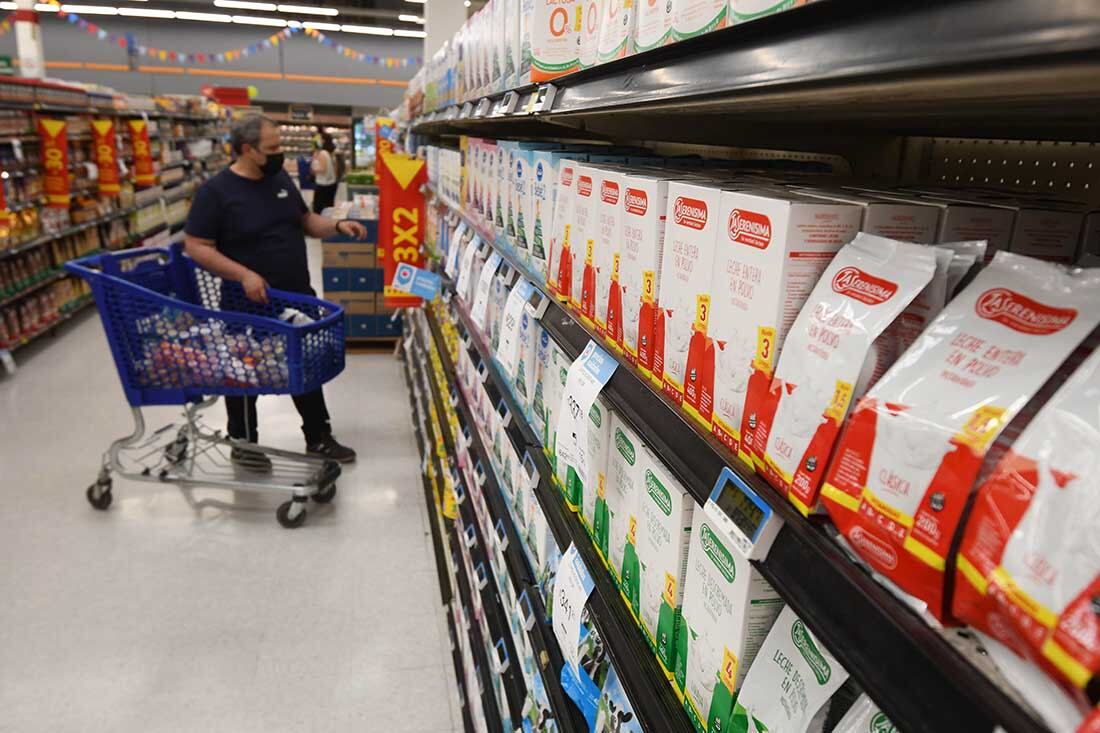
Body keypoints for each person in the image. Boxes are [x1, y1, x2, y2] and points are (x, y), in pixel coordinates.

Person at [183, 114, 365, 467]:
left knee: (305, 362)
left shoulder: (278, 178)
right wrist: (244, 275)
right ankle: (244, 443)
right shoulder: (216, 193)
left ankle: (319, 437)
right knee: (244, 371)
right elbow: (197, 245)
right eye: (273, 148)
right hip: (246, 301)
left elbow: (305, 221)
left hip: (295, 294)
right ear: (247, 150)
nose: (281, 154)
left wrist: (338, 225)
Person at [310, 133, 338, 214]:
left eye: (320, 139)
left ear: (323, 141)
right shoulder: (331, 153)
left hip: (323, 185)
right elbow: (335, 169)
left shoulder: (322, 153)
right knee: (329, 208)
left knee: (318, 209)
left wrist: (313, 170)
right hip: (331, 184)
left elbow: (323, 169)